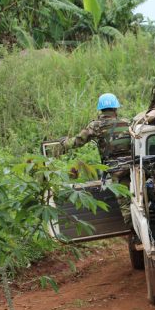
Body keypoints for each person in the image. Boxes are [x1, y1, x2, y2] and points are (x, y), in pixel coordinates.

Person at [55, 93, 133, 224]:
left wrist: (64, 142)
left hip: (115, 169)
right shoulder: (127, 122)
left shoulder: (96, 125)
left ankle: (134, 231)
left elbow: (77, 142)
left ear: (100, 109)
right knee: (140, 198)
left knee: (124, 203)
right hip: (133, 167)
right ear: (115, 108)